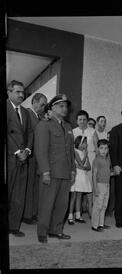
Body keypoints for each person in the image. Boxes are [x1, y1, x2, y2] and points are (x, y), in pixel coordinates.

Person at [35, 94, 76, 243]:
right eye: (61, 106)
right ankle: (42, 232)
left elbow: (70, 151)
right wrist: (45, 171)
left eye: (66, 106)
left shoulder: (68, 126)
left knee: (61, 205)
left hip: (65, 172)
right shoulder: (44, 125)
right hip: (50, 173)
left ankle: (56, 230)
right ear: (51, 108)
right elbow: (41, 150)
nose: (65, 109)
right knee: (46, 204)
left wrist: (72, 170)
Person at [7, 80, 33, 237]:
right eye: (18, 92)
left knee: (18, 195)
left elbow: (30, 132)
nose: (21, 95)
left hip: (23, 160)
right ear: (9, 92)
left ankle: (14, 226)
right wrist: (17, 151)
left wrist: (28, 150)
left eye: (22, 92)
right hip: (9, 158)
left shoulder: (25, 112)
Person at [23, 93, 47, 225]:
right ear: (34, 102)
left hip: (38, 159)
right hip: (30, 158)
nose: (43, 107)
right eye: (42, 104)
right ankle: (27, 215)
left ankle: (32, 213)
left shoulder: (39, 117)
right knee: (28, 187)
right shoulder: (26, 114)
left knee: (36, 187)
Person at [73, 110, 97, 216]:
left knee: (90, 185)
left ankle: (91, 210)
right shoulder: (73, 132)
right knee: (77, 186)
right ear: (77, 121)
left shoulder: (92, 131)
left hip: (90, 159)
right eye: (80, 119)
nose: (82, 121)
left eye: (84, 119)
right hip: (77, 161)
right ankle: (77, 211)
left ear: (87, 121)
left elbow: (97, 147)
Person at [68, 136, 92, 225]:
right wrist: (85, 155)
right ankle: (70, 216)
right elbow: (81, 163)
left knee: (79, 196)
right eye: (84, 143)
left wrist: (85, 166)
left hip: (83, 176)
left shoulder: (85, 152)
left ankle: (78, 216)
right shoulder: (75, 151)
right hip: (77, 175)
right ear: (79, 143)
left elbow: (88, 167)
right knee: (73, 196)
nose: (86, 144)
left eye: (86, 143)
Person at [91, 139, 112, 232]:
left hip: (107, 184)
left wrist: (114, 173)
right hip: (99, 185)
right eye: (101, 148)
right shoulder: (97, 160)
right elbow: (94, 174)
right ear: (98, 149)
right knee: (98, 206)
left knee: (104, 205)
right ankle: (94, 225)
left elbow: (107, 172)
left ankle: (101, 224)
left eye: (106, 148)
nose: (104, 150)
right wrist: (95, 188)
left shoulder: (107, 160)